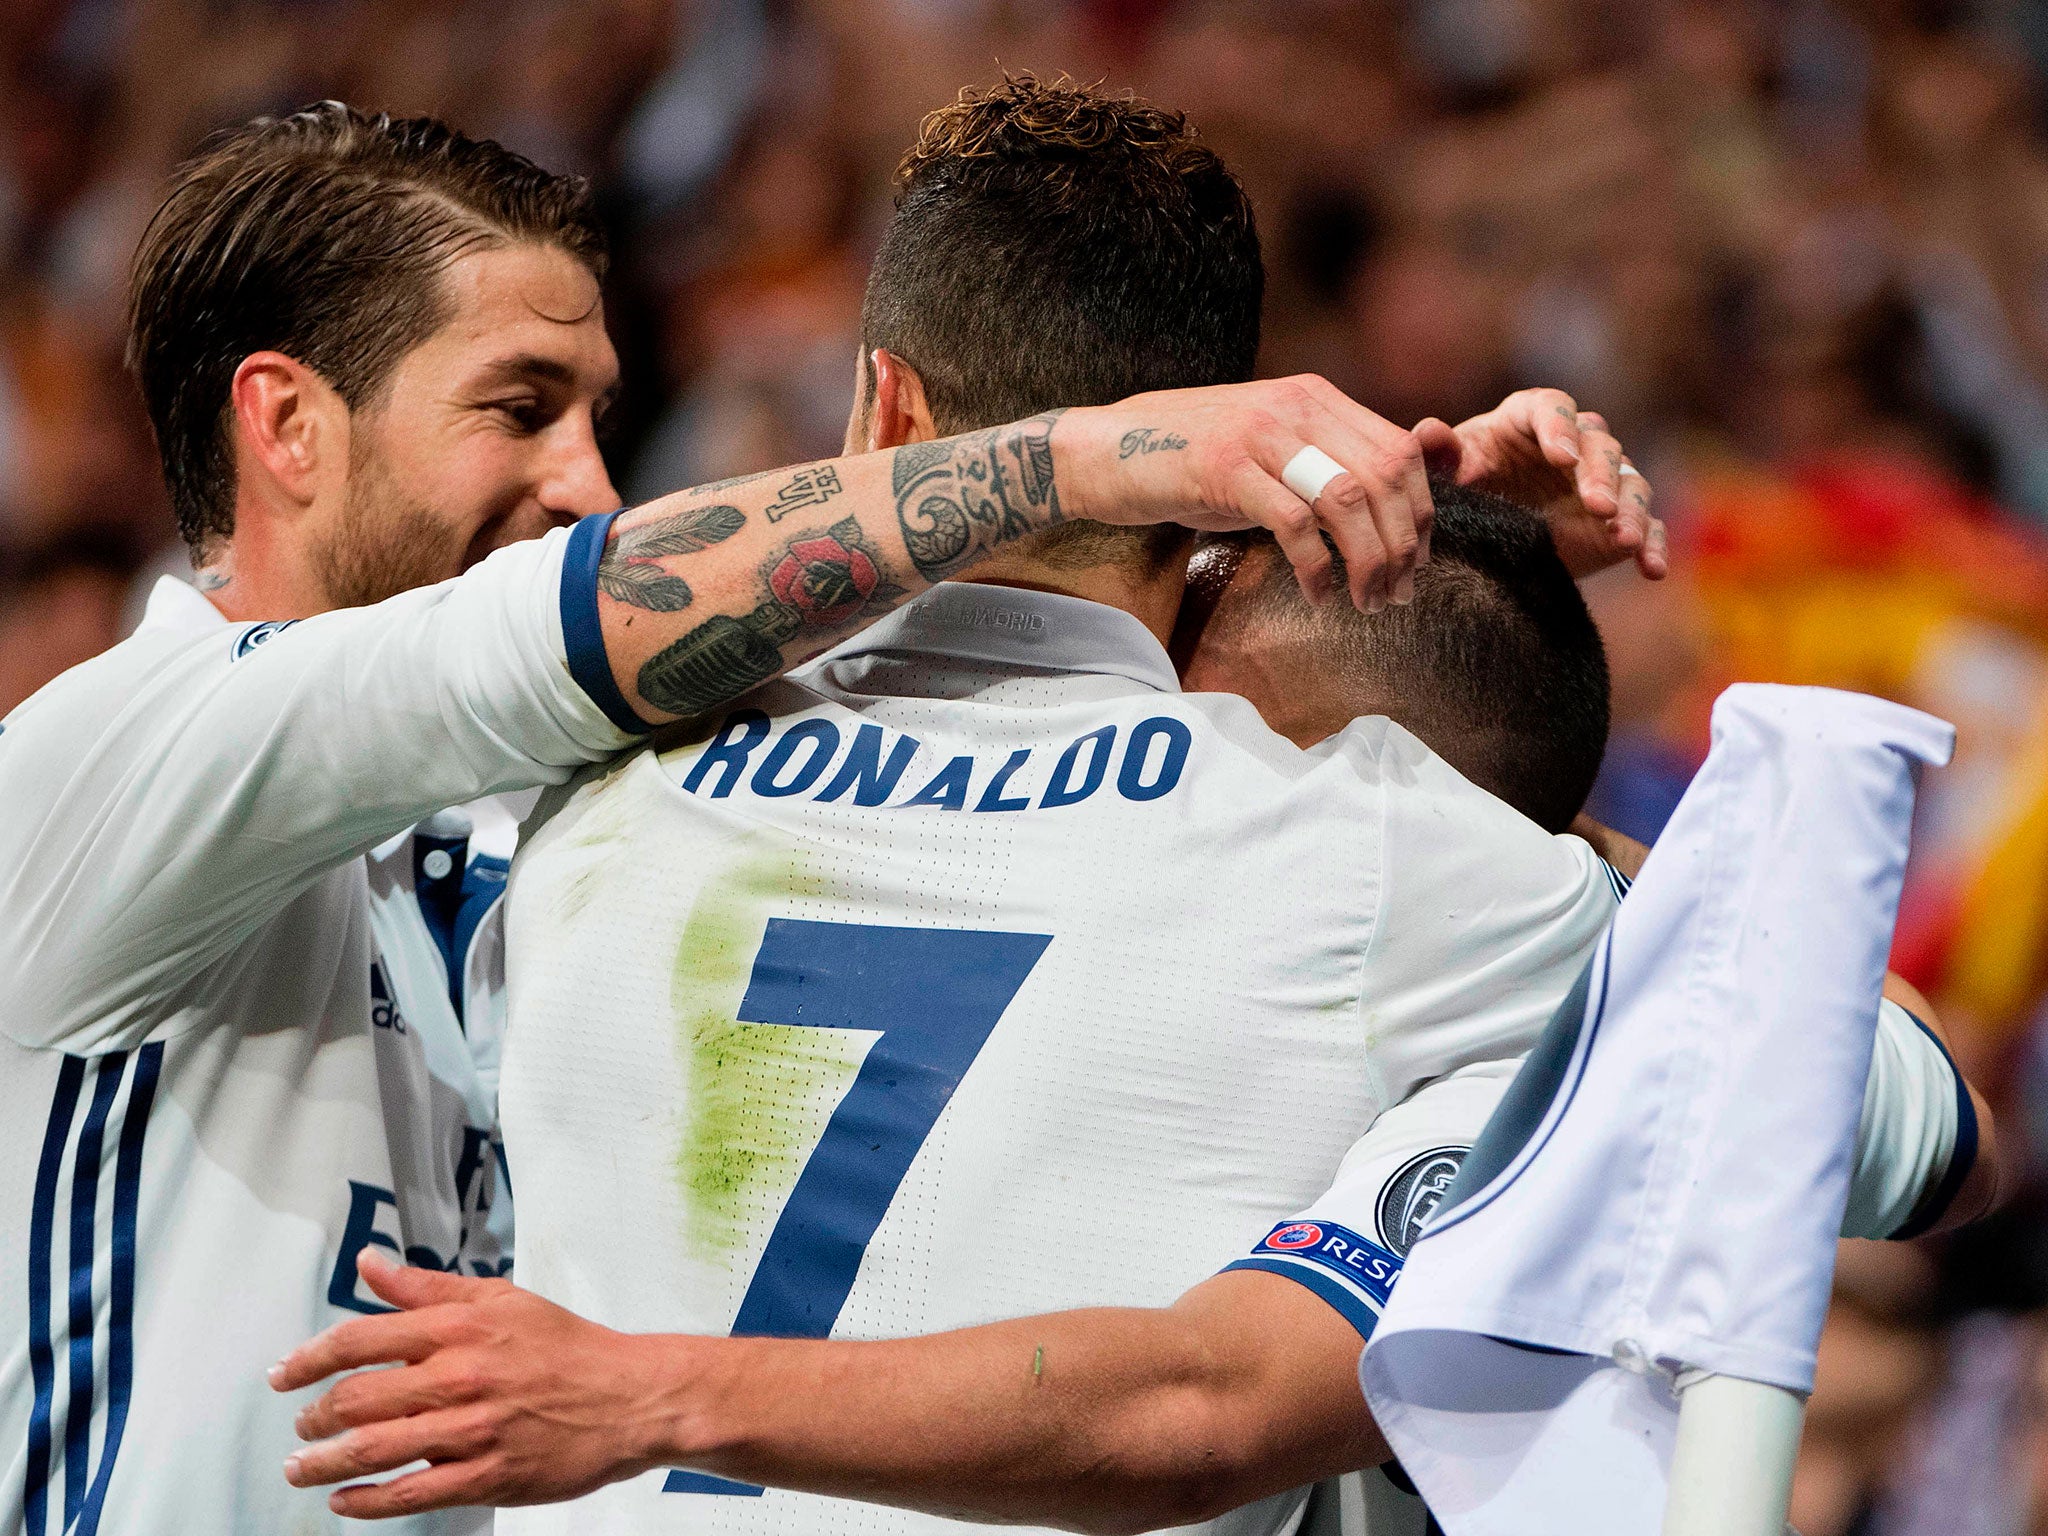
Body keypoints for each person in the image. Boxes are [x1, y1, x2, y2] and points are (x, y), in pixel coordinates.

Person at [270, 77, 1989, 1534]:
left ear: (884, 407)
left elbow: (550, 617)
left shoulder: (579, 778)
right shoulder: (1384, 843)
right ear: (1230, 462)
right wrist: (1496, 727)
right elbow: (1922, 1118)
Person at [0, 98, 1449, 1536]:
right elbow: (577, 623)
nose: (587, 481)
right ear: (287, 424)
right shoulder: (117, 759)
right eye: (518, 407)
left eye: (595, 417)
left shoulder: (573, 801)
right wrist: (1087, 457)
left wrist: (1428, 590)